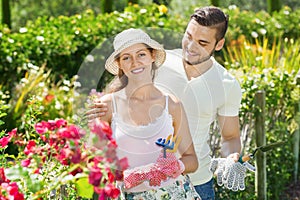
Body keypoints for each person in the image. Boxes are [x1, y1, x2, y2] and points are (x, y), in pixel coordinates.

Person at [88, 7, 247, 200]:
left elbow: (230, 137)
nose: (191, 46)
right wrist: (104, 106)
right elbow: (126, 84)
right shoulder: (160, 61)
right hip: (140, 185)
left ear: (219, 44)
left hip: (198, 181)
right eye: (188, 36)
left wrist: (231, 158)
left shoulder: (227, 84)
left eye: (202, 42)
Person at [88, 28, 201, 199]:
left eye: (141, 54)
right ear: (119, 64)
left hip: (175, 193)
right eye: (126, 58)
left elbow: (191, 160)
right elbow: (93, 163)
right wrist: (125, 176)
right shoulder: (107, 107)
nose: (135, 62)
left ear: (152, 56)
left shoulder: (172, 105)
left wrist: (171, 167)